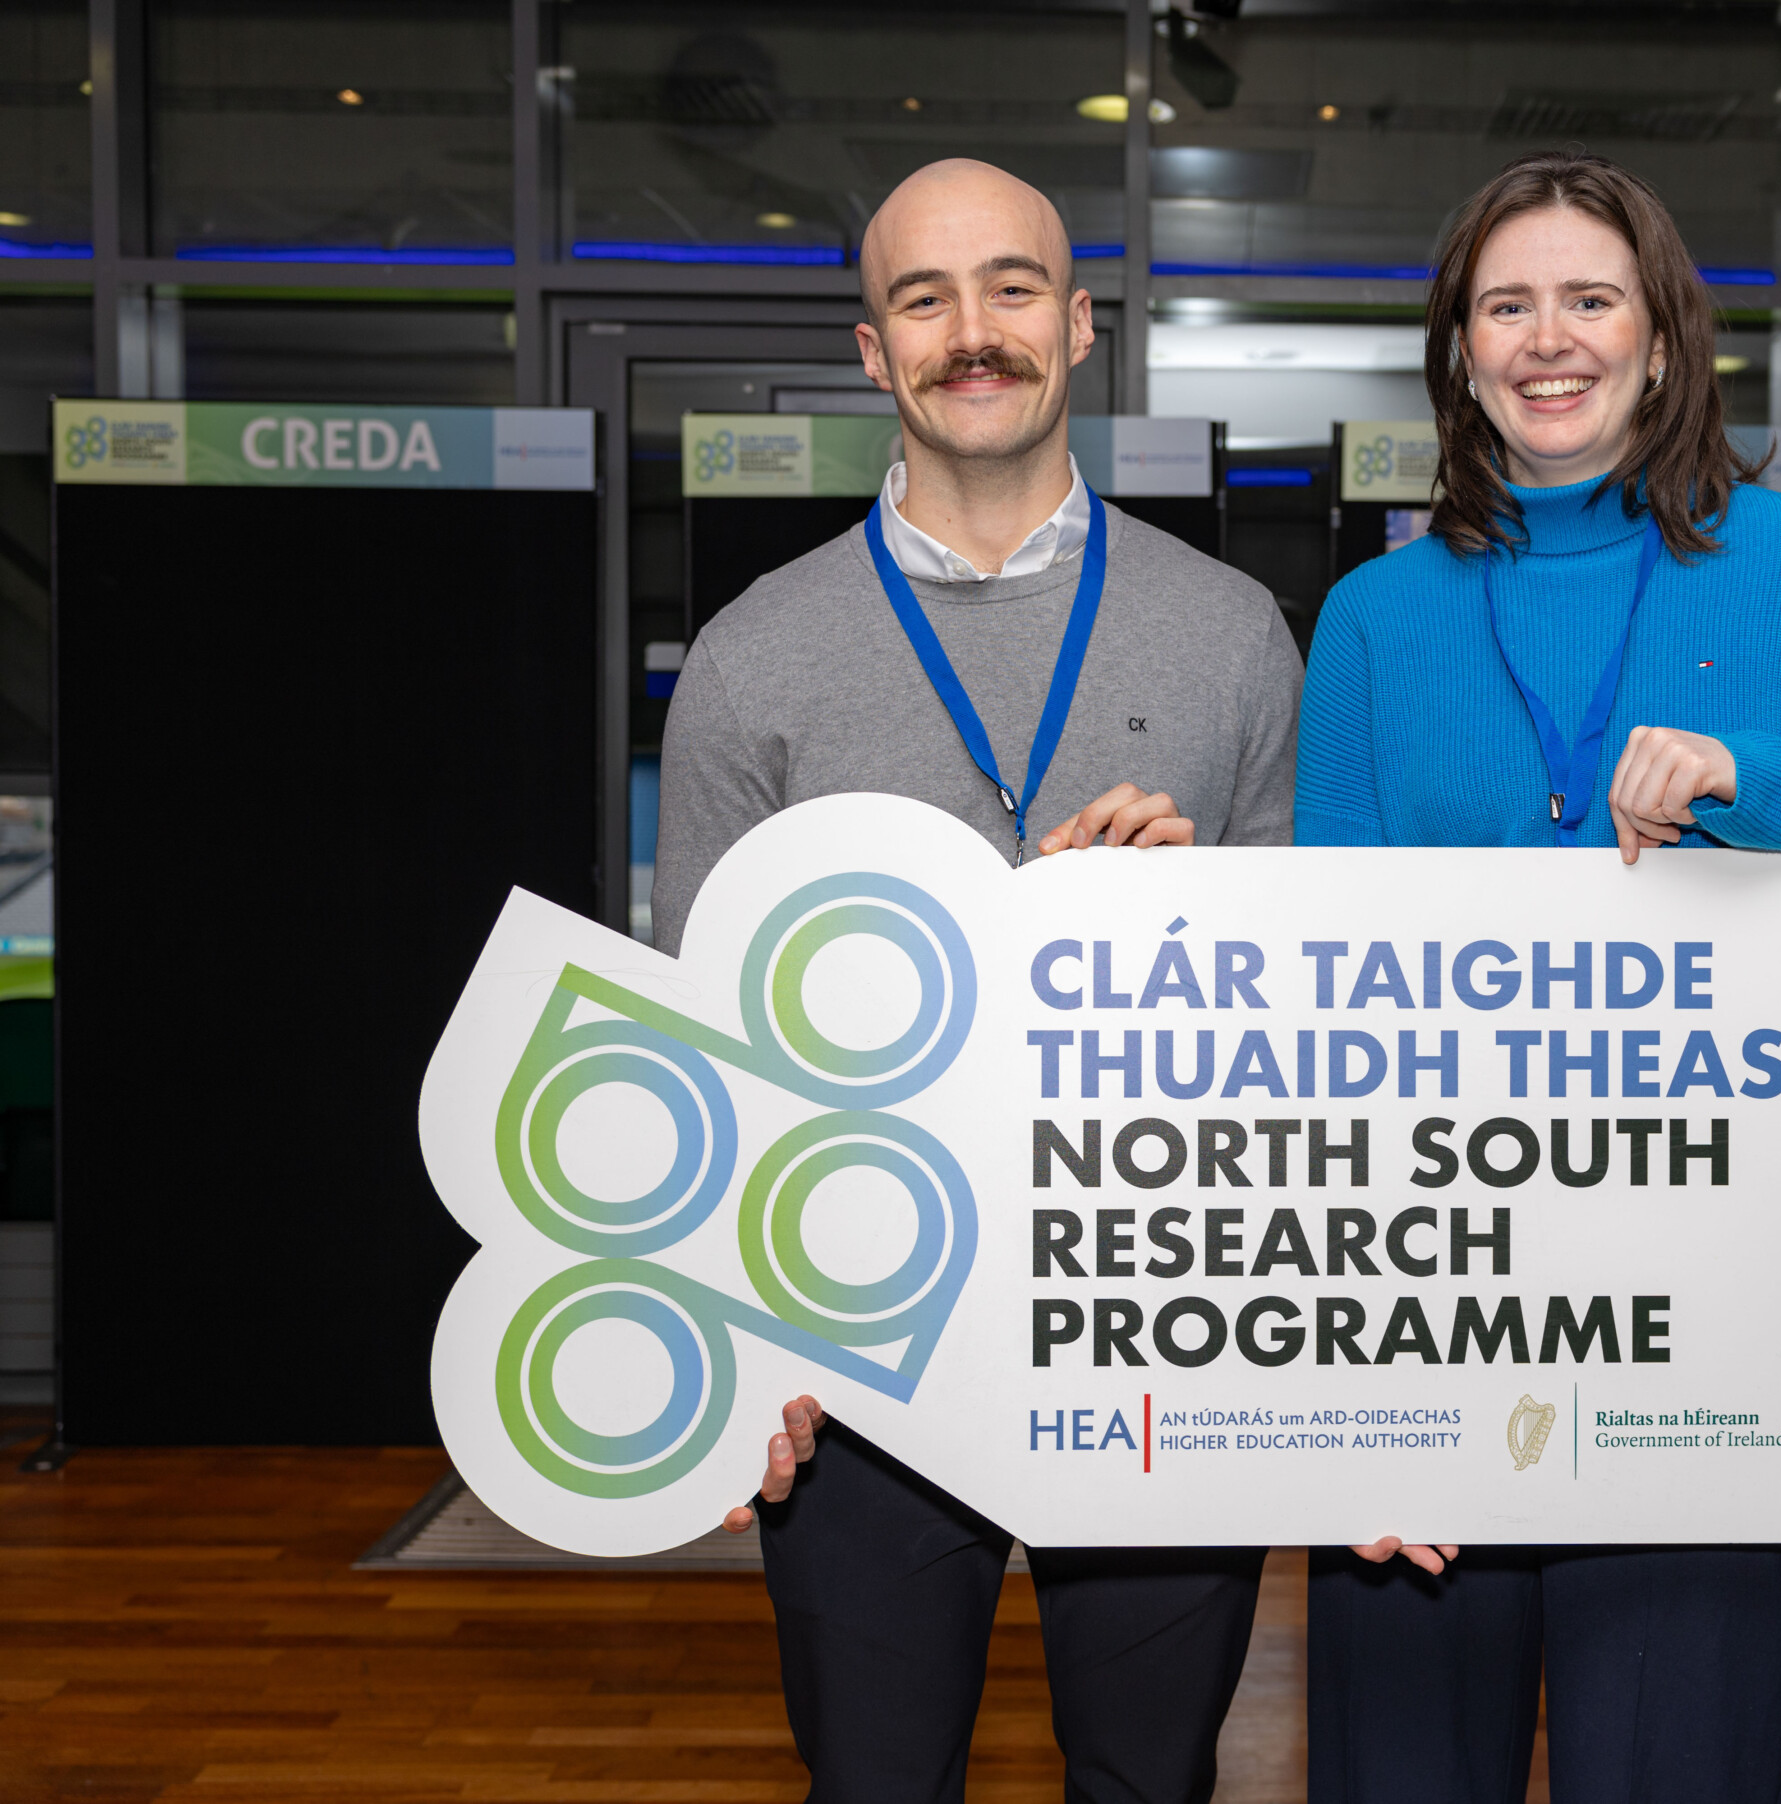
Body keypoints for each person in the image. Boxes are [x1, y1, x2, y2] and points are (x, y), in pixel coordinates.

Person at [1292, 151, 1781, 1804]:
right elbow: (1318, 1025)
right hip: (1423, 1314)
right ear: (1461, 351)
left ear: (1667, 339)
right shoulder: (1375, 620)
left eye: (1590, 298)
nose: (1550, 339)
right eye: (1507, 305)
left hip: (1705, 1336)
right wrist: (1332, 1401)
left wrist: (1765, 785)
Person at [653, 158, 1303, 1804]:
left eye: (1011, 287)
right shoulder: (751, 655)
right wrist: (742, 1357)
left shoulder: (1233, 636)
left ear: (1079, 328)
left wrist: (1202, 911)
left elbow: (1313, 1023)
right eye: (923, 299)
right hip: (861, 1330)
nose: (972, 331)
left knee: (1152, 1780)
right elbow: (699, 1047)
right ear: (874, 353)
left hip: (1165, 1311)